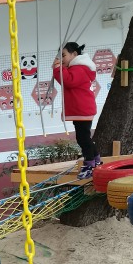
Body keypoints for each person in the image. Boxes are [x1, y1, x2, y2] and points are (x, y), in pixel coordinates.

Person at [52, 42, 100, 179]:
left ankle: (89, 164)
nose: (62, 59)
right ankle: (96, 159)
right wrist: (59, 68)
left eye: (63, 55)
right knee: (84, 137)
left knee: (83, 138)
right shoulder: (79, 67)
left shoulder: (79, 68)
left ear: (74, 54)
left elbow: (67, 80)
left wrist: (57, 68)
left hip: (82, 110)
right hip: (81, 110)